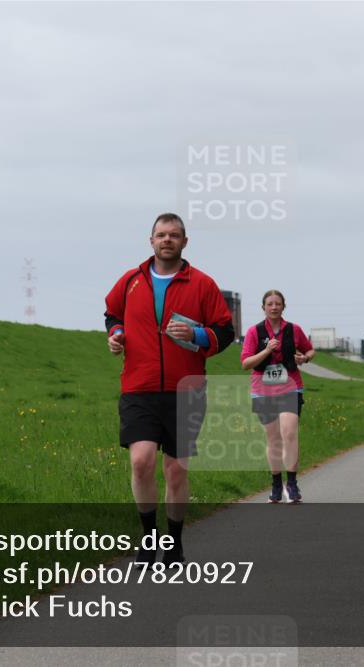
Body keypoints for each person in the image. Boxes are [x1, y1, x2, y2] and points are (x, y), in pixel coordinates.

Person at [104, 213, 234, 566]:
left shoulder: (202, 284)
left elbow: (225, 332)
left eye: (174, 235)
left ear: (184, 242)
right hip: (139, 387)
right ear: (151, 241)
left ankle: (174, 543)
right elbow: (112, 314)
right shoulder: (131, 281)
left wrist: (196, 335)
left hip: (185, 390)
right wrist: (115, 335)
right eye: (161, 235)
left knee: (176, 470)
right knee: (141, 461)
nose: (167, 240)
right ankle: (148, 540)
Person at [241, 290, 314, 504]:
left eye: (278, 303)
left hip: (290, 386)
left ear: (284, 306)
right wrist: (266, 351)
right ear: (263, 307)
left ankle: (291, 484)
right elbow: (245, 363)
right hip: (263, 390)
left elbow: (310, 351)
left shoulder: (294, 329)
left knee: (289, 433)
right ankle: (275, 483)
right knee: (273, 439)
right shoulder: (254, 332)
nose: (274, 307)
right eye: (270, 304)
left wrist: (304, 358)